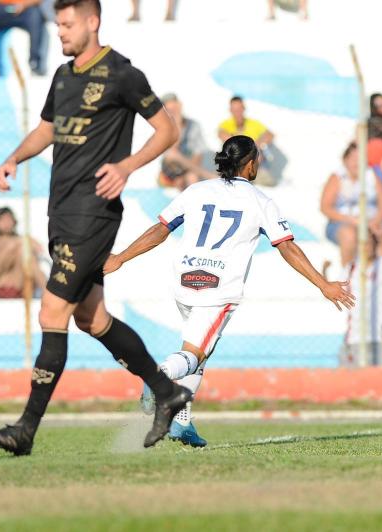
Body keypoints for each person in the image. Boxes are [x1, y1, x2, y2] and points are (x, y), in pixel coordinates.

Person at [0, 0, 187, 455]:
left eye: (68, 24)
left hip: (93, 214)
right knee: (91, 318)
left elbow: (167, 131)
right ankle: (167, 392)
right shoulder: (63, 75)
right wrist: (15, 156)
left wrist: (128, 166)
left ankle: (26, 430)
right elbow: (48, 129)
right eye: (58, 25)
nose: (60, 33)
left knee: (52, 313)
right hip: (62, 211)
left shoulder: (122, 74)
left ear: (92, 22)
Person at [104, 135, 355, 447]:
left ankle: (182, 423)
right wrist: (323, 284)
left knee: (199, 350)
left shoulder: (196, 190)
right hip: (218, 288)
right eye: (257, 160)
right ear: (249, 164)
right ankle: (157, 378)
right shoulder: (260, 201)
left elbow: (160, 229)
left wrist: (121, 258)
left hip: (184, 281)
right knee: (194, 354)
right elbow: (286, 247)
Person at [320, 142, 382, 268]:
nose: (356, 163)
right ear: (345, 160)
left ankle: (381, 275)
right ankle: (348, 276)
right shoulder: (337, 177)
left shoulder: (371, 175)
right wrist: (353, 221)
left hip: (371, 222)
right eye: (353, 158)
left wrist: (375, 222)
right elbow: (325, 208)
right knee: (349, 235)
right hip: (344, 222)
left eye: (360, 159)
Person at [340, 227, 382, 367]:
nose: (367, 247)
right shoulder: (351, 268)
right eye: (364, 243)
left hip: (379, 337)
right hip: (354, 337)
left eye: (370, 243)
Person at [0, 207, 48, 298]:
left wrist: (23, 242)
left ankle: (47, 291)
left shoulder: (21, 241)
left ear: (14, 222)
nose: (6, 223)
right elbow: (8, 245)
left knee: (24, 252)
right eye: (2, 220)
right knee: (12, 248)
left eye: (9, 219)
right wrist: (25, 241)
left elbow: (39, 248)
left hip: (18, 284)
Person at [158, 93, 213, 190]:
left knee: (192, 177)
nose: (174, 112)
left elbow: (198, 152)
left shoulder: (193, 125)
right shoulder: (164, 127)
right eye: (170, 110)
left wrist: (190, 168)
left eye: (175, 108)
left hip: (190, 165)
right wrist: (177, 123)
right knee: (173, 155)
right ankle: (209, 176)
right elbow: (171, 153)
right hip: (171, 167)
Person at [218, 96, 278, 186]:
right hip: (236, 165)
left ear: (244, 108)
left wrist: (256, 144)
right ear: (230, 110)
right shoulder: (226, 124)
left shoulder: (253, 124)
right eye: (234, 109)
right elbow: (222, 135)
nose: (237, 112)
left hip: (256, 164)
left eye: (239, 109)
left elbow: (270, 135)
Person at [0, 0, 46, 77]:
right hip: (3, 8)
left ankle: (35, 64)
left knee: (36, 15)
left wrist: (24, 4)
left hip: (27, 9)